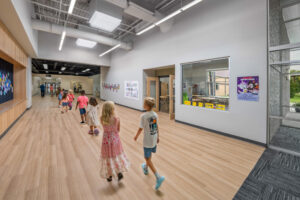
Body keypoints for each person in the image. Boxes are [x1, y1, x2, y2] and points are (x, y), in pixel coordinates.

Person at [134, 97, 165, 190]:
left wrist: (136, 136)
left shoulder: (143, 116)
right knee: (149, 156)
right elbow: (156, 126)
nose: (143, 105)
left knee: (147, 158)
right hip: (154, 138)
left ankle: (158, 177)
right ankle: (146, 168)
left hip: (147, 140)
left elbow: (140, 128)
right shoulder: (155, 114)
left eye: (144, 103)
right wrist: (158, 136)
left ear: (147, 106)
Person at [100, 101, 129, 182]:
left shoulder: (102, 118)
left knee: (108, 157)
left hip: (106, 141)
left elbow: (104, 128)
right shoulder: (117, 119)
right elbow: (118, 130)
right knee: (116, 155)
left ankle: (109, 175)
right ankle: (119, 172)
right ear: (112, 109)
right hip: (115, 140)